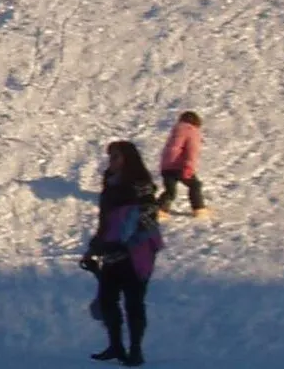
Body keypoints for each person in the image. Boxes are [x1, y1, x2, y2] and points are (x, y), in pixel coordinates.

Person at [83, 141, 163, 365]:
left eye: (116, 157)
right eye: (111, 157)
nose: (112, 161)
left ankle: (135, 350)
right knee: (108, 299)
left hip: (137, 252)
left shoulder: (141, 184)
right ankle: (116, 346)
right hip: (111, 249)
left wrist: (128, 242)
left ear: (129, 158)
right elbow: (105, 220)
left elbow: (149, 216)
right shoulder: (110, 184)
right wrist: (94, 248)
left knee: (133, 302)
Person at [157, 112, 206, 217]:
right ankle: (199, 209)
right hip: (180, 166)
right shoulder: (192, 131)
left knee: (170, 191)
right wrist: (189, 167)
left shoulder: (176, 131)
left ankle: (160, 210)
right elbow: (192, 151)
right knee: (195, 185)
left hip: (166, 167)